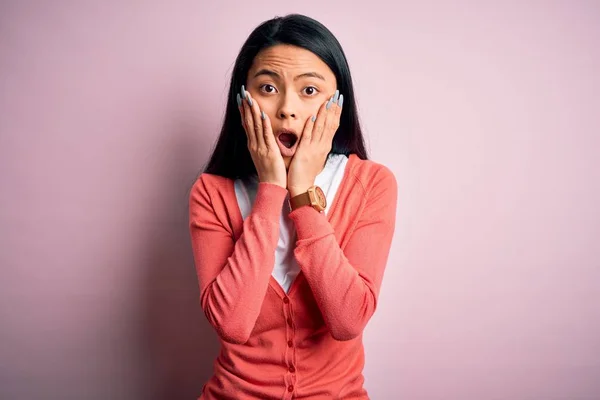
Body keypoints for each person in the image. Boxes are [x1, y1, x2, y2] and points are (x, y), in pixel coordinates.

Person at [188, 13, 397, 400]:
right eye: (268, 87)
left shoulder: (371, 184)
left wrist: (302, 192)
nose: (287, 109)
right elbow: (232, 324)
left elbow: (348, 320)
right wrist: (271, 189)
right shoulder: (211, 192)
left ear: (338, 104)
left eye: (309, 91)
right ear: (243, 99)